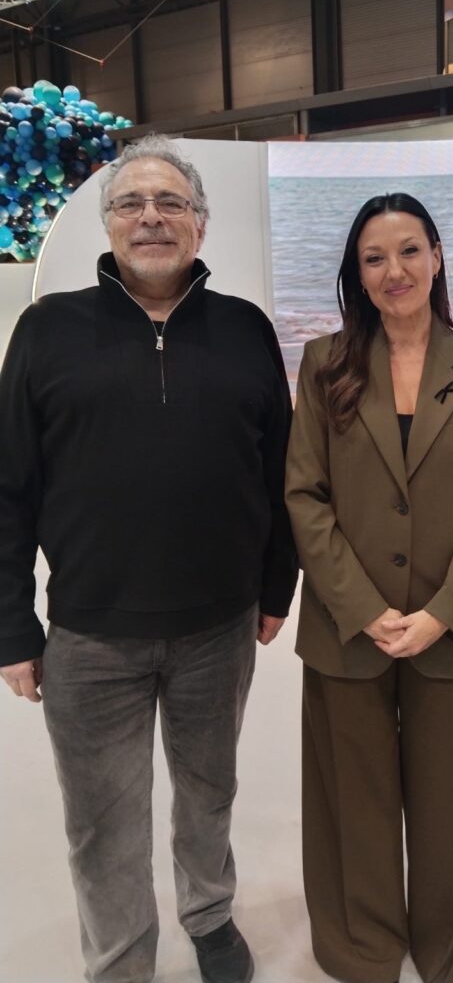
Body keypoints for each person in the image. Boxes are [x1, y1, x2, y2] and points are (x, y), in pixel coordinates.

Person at [0, 135, 298, 983]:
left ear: (200, 224)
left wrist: (277, 585)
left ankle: (209, 916)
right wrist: (11, 626)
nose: (151, 217)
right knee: (102, 821)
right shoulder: (46, 331)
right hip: (90, 635)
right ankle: (121, 959)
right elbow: (9, 487)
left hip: (219, 628)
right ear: (108, 224)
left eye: (171, 203)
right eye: (131, 203)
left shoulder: (244, 330)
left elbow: (280, 471)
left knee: (209, 795)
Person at [285, 192, 453, 983]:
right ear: (357, 274)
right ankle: (364, 946)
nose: (395, 270)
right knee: (354, 797)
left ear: (438, 257)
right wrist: (365, 608)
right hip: (347, 626)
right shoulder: (325, 363)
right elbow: (305, 497)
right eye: (374, 258)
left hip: (448, 631)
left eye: (410, 250)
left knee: (443, 799)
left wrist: (443, 613)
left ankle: (437, 940)